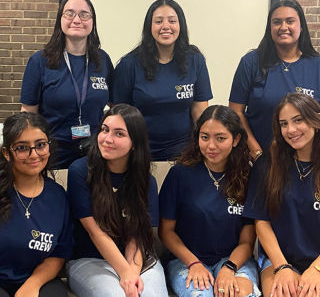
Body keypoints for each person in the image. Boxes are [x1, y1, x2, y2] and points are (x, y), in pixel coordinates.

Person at [66, 104, 168, 297]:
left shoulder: (146, 180)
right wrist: (125, 273)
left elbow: (137, 235)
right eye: (105, 130)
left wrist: (132, 273)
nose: (107, 139)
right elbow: (94, 231)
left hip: (138, 260)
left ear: (135, 143)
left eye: (119, 134)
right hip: (89, 259)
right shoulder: (80, 171)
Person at [159, 105, 261, 297]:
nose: (211, 145)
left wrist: (229, 268)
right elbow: (166, 232)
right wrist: (194, 264)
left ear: (236, 139)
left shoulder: (248, 176)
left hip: (233, 260)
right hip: (187, 260)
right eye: (204, 137)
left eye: (220, 138)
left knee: (237, 293)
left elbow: (248, 240)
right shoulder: (179, 174)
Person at [244, 93, 320, 297]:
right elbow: (261, 223)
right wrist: (282, 267)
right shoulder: (267, 165)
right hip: (278, 259)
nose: (291, 130)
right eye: (284, 123)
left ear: (317, 120)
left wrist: (316, 270)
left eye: (298, 120)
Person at [20, 0, 114, 169]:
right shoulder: (40, 61)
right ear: (60, 20)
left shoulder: (102, 60)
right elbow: (28, 113)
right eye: (70, 13)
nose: (77, 20)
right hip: (53, 152)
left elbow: (115, 106)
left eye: (84, 14)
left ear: (92, 22)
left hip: (96, 151)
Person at [112, 0, 213, 161]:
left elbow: (199, 112)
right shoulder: (129, 64)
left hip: (184, 154)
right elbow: (118, 116)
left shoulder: (195, 61)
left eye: (172, 21)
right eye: (158, 21)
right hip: (140, 154)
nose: (166, 26)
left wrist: (203, 150)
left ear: (180, 25)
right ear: (149, 26)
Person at [229, 0, 320, 160]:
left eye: (290, 21)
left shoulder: (319, 65)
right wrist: (256, 153)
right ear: (270, 27)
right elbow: (235, 112)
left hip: (306, 161)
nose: (283, 27)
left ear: (301, 27)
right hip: (258, 158)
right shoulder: (251, 62)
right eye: (277, 22)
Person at [0, 112, 73, 297]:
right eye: (22, 148)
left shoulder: (58, 197)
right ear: (6, 153)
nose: (34, 155)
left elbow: (58, 254)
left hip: (36, 278)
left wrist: (33, 284)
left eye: (40, 145)